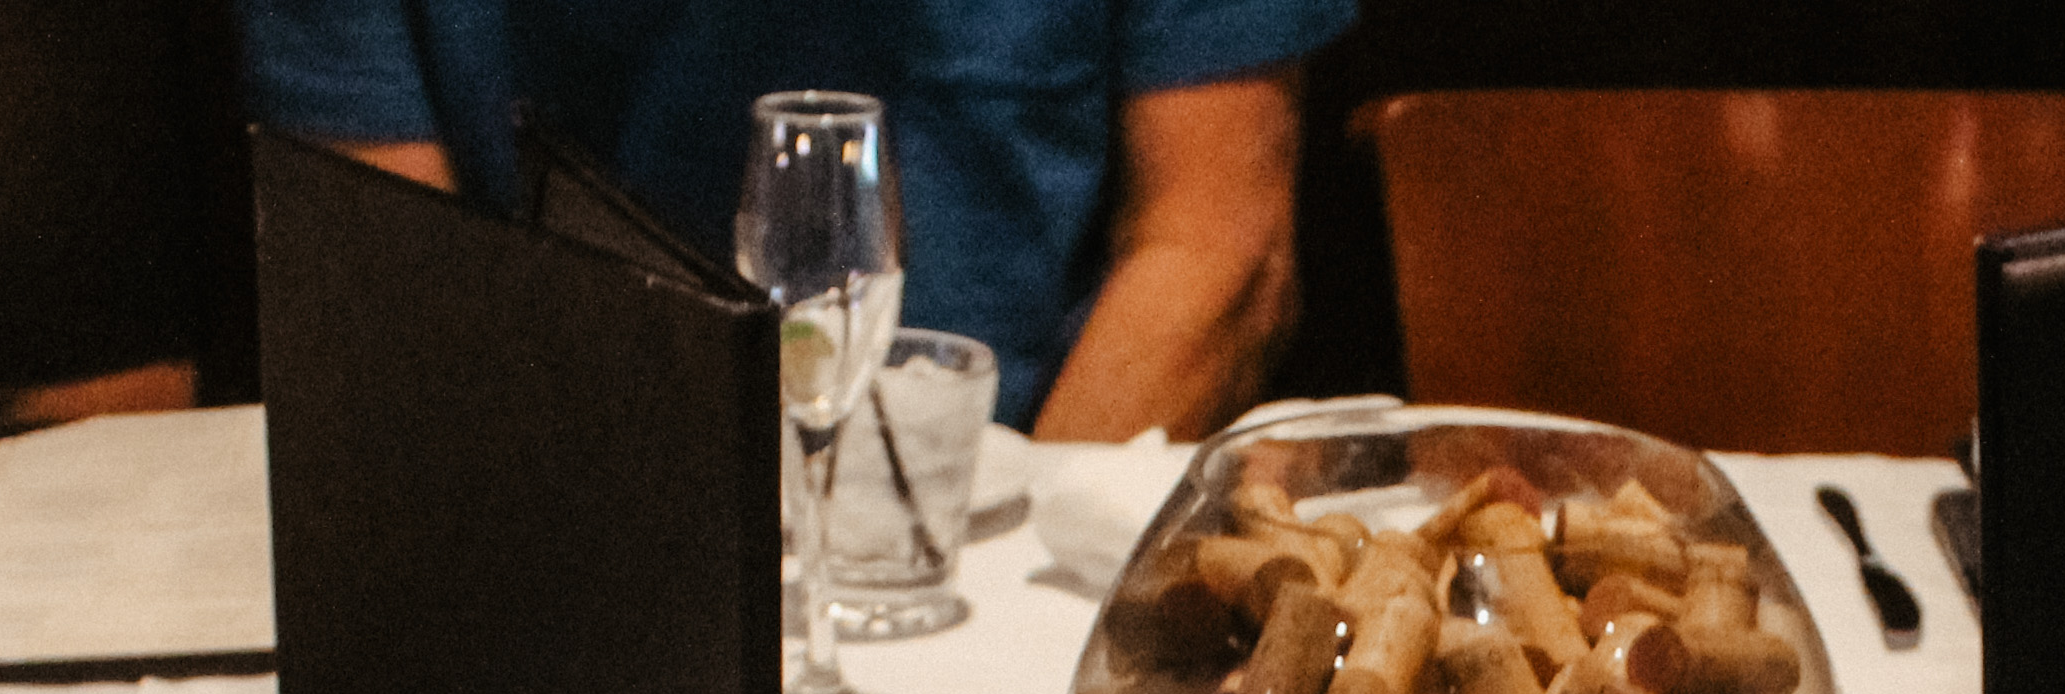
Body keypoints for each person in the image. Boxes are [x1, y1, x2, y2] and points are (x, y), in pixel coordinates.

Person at [240, 0, 1351, 437]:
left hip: (1012, 517)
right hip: (571, 544)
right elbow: (391, 294)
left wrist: (986, 596)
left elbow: (1218, 253)